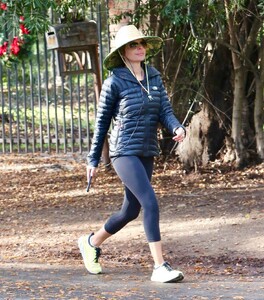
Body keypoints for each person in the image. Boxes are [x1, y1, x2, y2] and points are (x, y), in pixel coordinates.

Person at [78, 24, 186, 283]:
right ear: (123, 52)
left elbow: (165, 111)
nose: (139, 48)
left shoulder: (154, 76)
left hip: (146, 149)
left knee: (130, 210)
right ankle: (160, 266)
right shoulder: (115, 80)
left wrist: (176, 126)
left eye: (141, 44)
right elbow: (102, 122)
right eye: (133, 45)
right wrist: (93, 158)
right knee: (150, 202)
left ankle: (91, 242)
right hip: (123, 151)